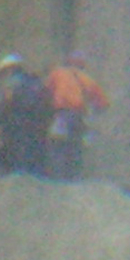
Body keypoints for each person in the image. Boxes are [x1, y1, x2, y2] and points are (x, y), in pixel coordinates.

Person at [43, 51, 109, 179]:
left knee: (57, 144)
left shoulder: (58, 73)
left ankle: (58, 178)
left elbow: (45, 91)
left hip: (62, 115)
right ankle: (73, 178)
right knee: (75, 147)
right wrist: (92, 112)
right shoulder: (89, 80)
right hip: (80, 117)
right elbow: (103, 104)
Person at [0, 53, 52, 175]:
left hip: (16, 121)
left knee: (17, 150)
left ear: (9, 69)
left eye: (4, 72)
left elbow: (6, 102)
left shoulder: (12, 82)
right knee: (34, 150)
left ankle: (19, 178)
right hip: (37, 123)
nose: (4, 76)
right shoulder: (34, 81)